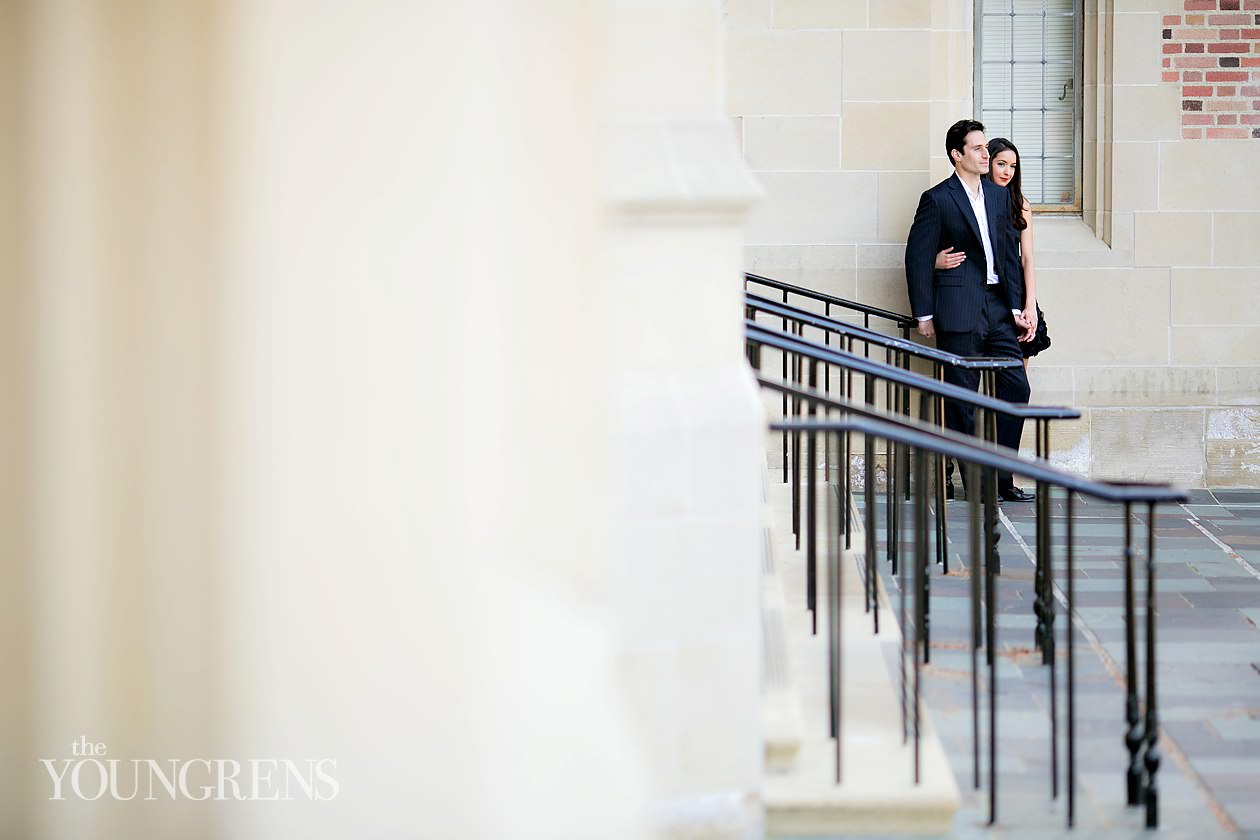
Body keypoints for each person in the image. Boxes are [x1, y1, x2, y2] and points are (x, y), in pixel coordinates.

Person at [905, 119, 1035, 503]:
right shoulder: (938, 198)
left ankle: (1002, 479)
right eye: (977, 149)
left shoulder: (998, 197)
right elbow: (916, 255)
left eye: (985, 148)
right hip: (958, 308)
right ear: (956, 155)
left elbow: (1009, 258)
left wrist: (1016, 307)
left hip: (997, 309)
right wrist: (924, 314)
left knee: (1016, 387)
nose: (986, 154)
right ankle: (974, 483)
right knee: (963, 399)